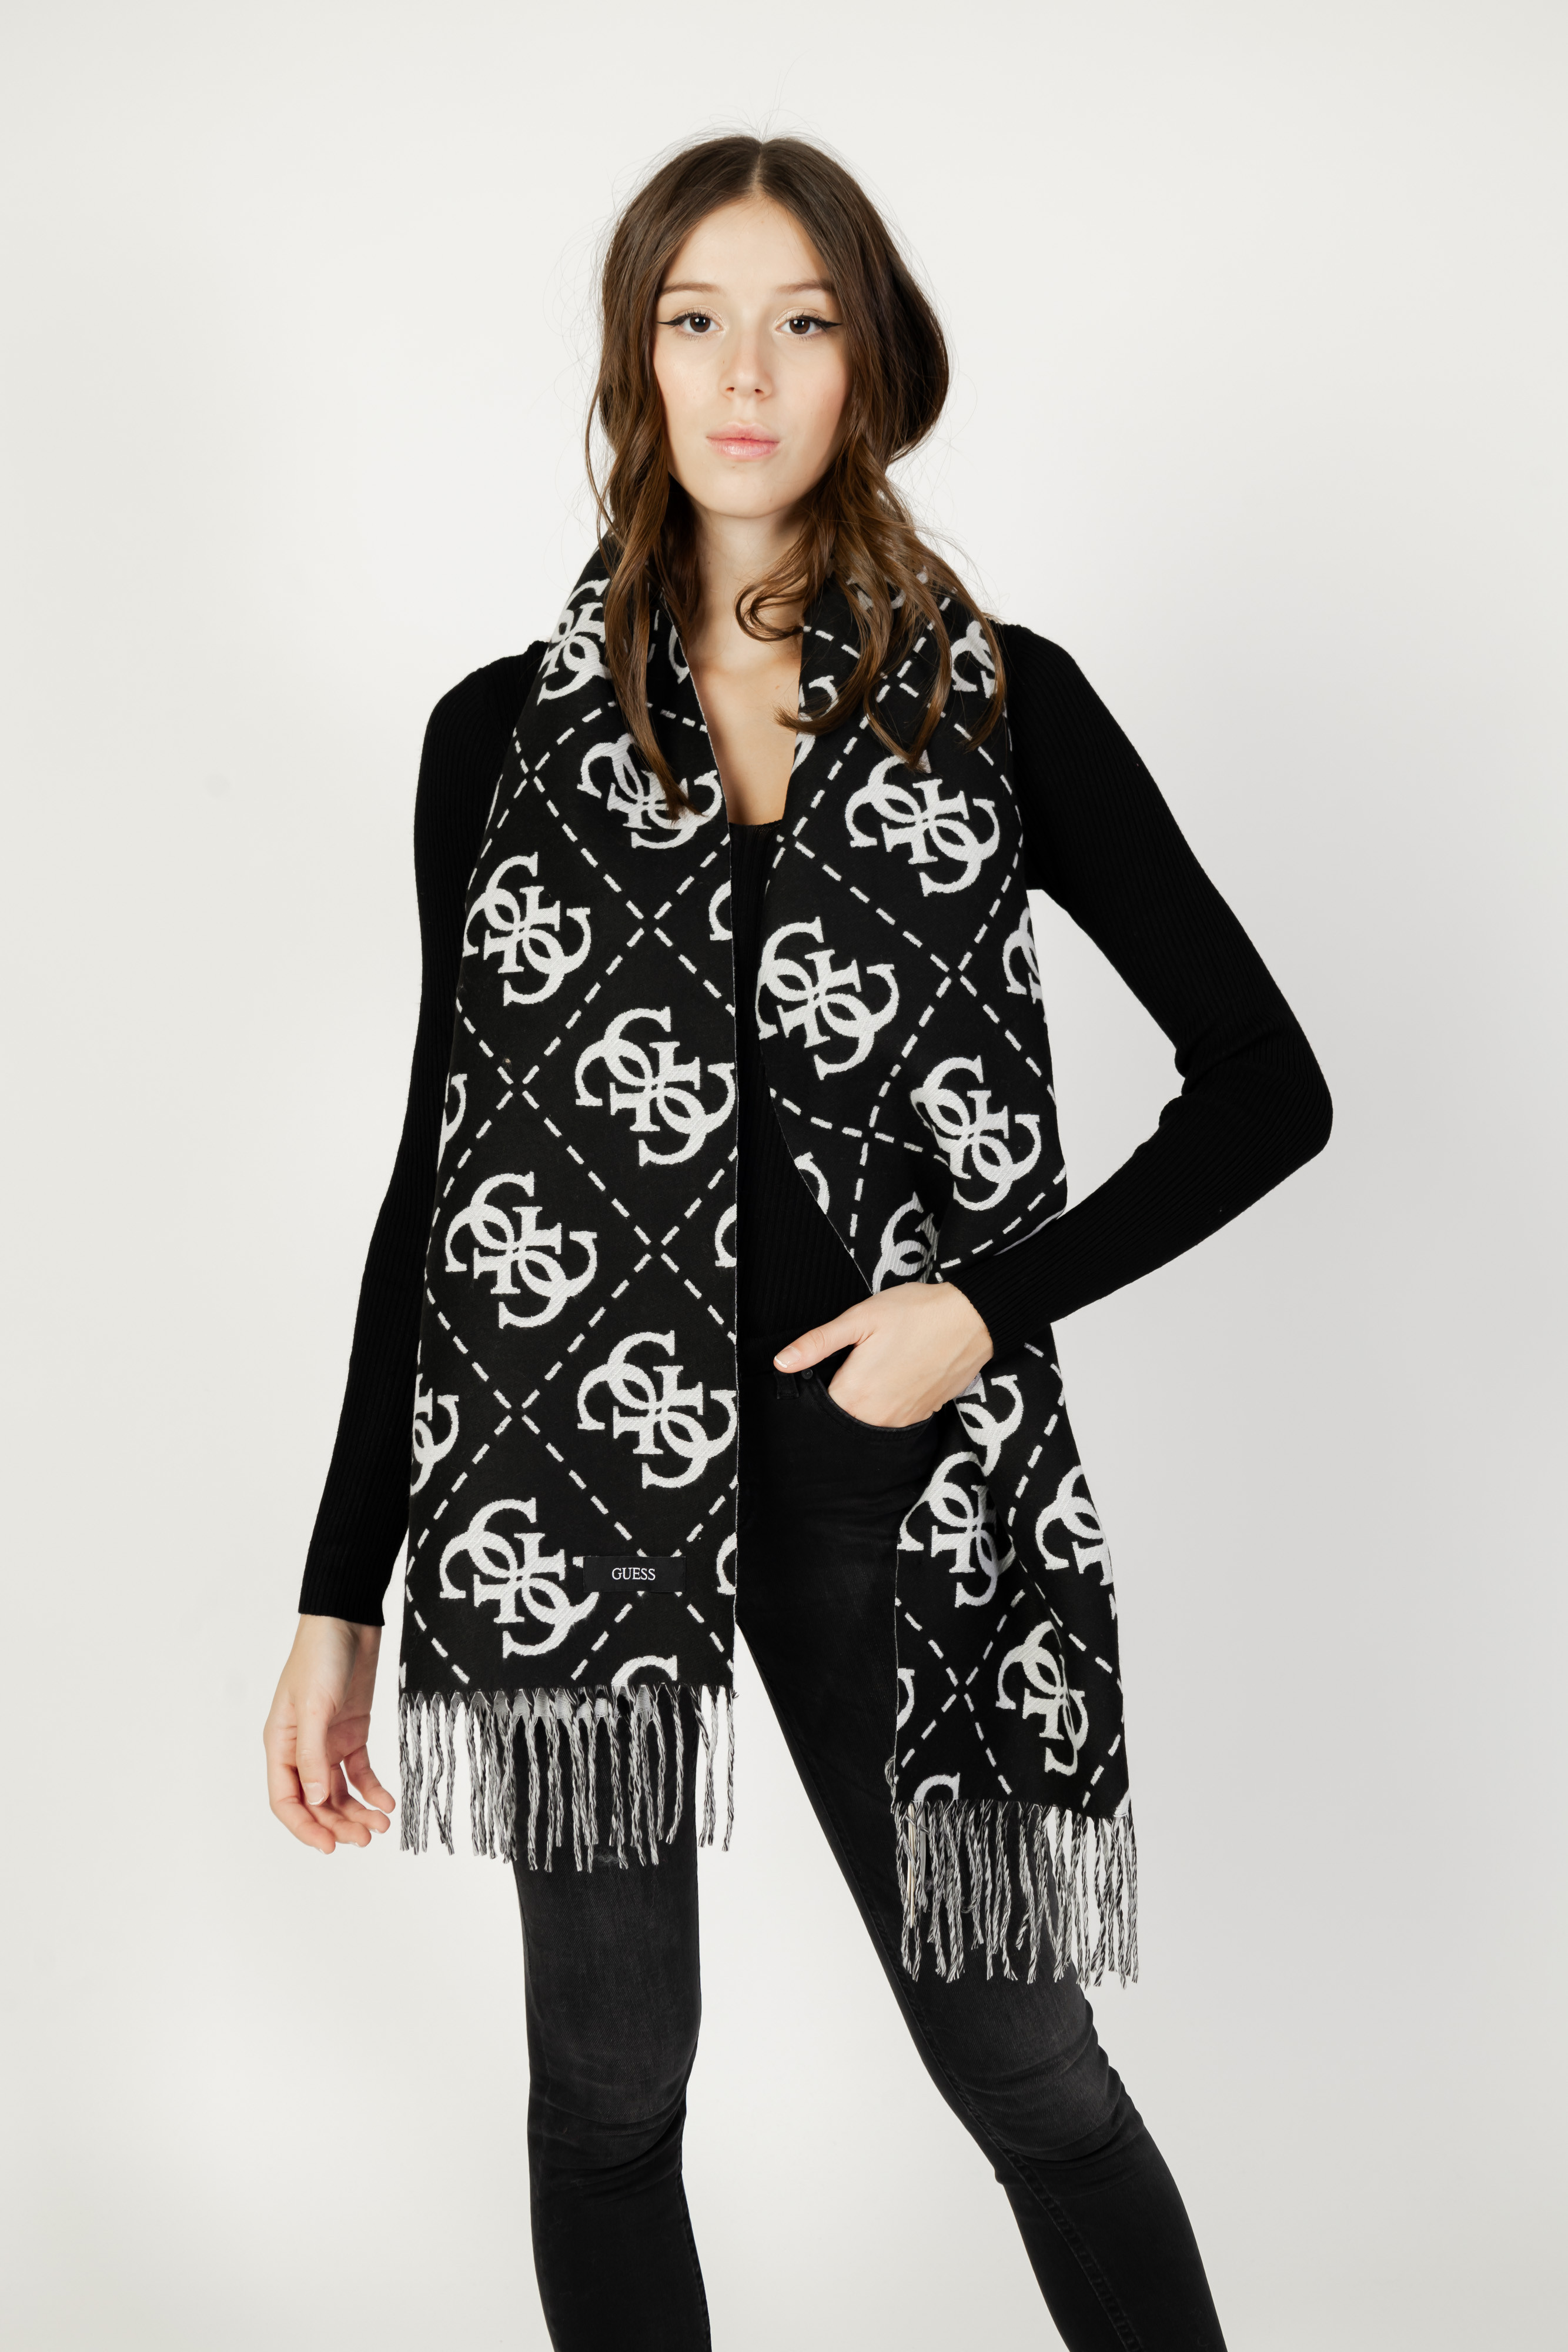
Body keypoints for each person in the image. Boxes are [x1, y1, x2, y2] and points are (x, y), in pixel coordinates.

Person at [263, 133, 1331, 2351]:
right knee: (604, 2106)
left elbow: (1265, 1083)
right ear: (636, 360)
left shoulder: (994, 701)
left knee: (1030, 2081)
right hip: (563, 1481)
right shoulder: (497, 742)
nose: (744, 375)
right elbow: (439, 1189)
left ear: (869, 365)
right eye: (696, 321)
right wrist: (336, 1592)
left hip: (887, 1476)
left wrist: (978, 1309)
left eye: (800, 321)